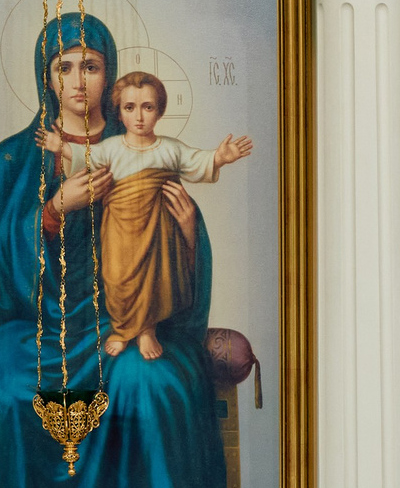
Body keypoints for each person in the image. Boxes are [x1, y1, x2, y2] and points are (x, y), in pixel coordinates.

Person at [0, 13, 229, 488]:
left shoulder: (142, 151)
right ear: (46, 76)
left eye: (92, 65)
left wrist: (188, 230)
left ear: (111, 75)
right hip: (40, 326)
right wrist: (54, 207)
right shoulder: (12, 159)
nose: (79, 80)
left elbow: (180, 267)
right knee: (9, 386)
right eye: (65, 67)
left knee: (148, 382)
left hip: (125, 322)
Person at [44, 71, 252, 362]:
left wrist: (219, 157)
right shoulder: (112, 148)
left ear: (160, 111)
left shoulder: (170, 149)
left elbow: (196, 162)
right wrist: (62, 147)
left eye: (148, 107)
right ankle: (122, 329)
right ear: (119, 112)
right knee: (116, 278)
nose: (139, 117)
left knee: (155, 279)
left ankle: (146, 331)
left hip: (157, 231)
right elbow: (86, 156)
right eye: (130, 108)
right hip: (118, 230)